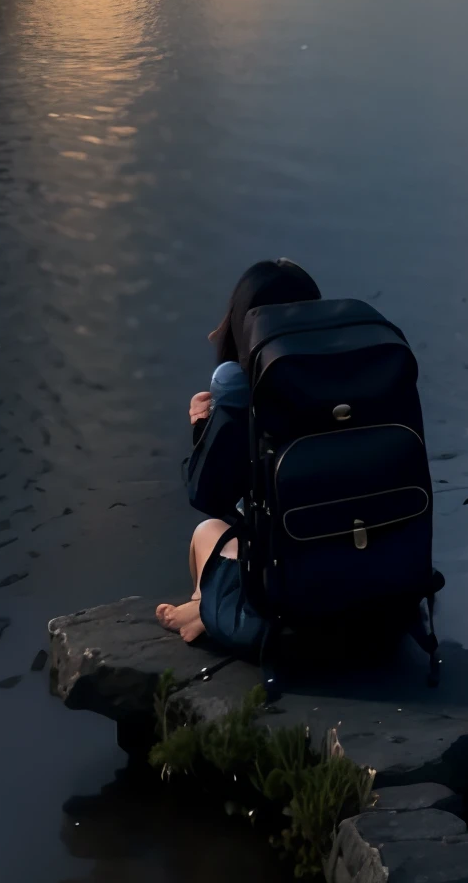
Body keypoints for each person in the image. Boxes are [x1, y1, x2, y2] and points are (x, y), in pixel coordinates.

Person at [155, 260, 319, 648]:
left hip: (291, 612)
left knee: (207, 533)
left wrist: (204, 430)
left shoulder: (245, 390)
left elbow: (208, 496)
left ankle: (206, 607)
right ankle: (206, 608)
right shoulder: (351, 376)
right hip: (369, 591)